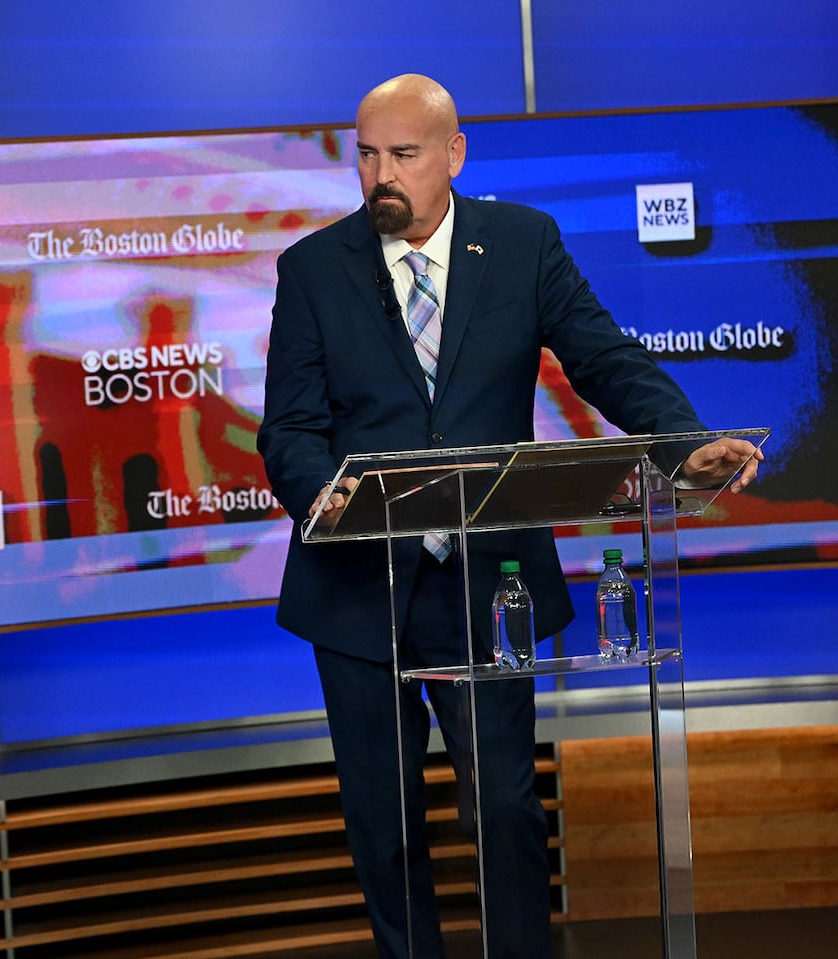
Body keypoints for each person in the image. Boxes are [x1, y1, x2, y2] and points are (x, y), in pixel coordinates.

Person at [256, 74, 761, 959]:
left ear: (454, 154)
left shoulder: (524, 245)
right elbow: (290, 427)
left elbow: (605, 359)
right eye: (366, 155)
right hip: (357, 590)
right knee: (386, 823)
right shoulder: (312, 269)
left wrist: (684, 445)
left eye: (403, 155)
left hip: (491, 586)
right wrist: (319, 490)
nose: (381, 175)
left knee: (504, 808)